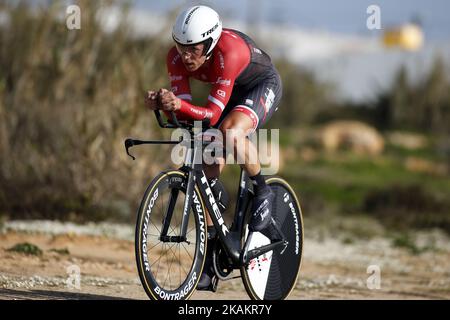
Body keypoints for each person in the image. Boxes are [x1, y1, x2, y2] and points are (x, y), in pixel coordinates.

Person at [144, 5, 283, 291]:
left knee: (230, 132)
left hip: (260, 86)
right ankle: (210, 259)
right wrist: (164, 104)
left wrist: (179, 104)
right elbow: (184, 116)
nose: (185, 55)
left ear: (209, 42)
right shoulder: (176, 58)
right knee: (204, 170)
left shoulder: (228, 52)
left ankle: (263, 189)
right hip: (227, 90)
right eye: (181, 47)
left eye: (193, 49)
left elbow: (209, 112)